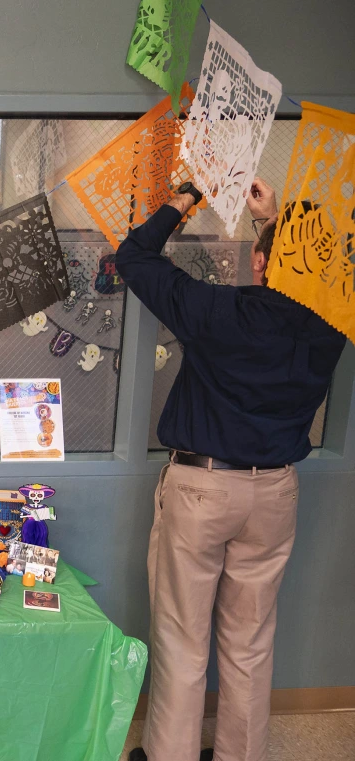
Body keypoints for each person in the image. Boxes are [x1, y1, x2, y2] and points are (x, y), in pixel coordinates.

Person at [119, 180, 346, 761]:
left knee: (182, 636)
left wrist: (184, 198)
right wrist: (278, 217)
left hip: (202, 489)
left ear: (261, 261)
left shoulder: (220, 310)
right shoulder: (331, 330)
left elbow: (135, 256)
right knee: (250, 642)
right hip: (274, 494)